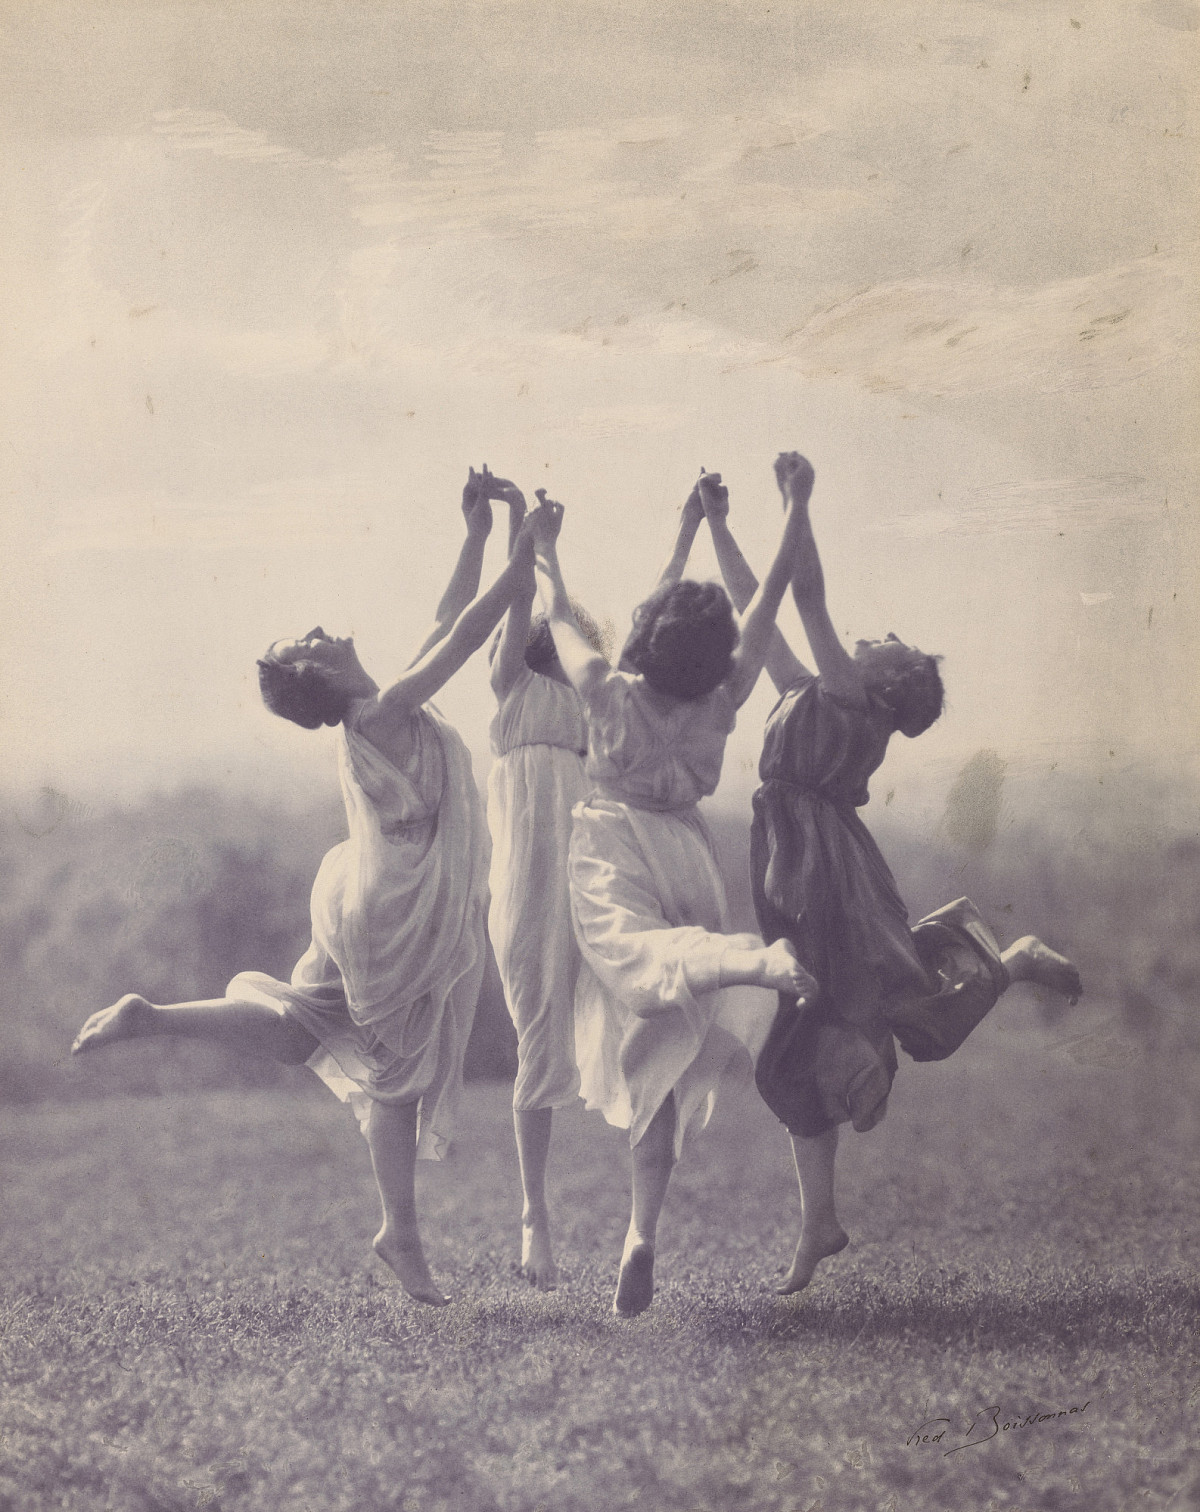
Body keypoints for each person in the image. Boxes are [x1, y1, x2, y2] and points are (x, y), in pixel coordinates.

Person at [73, 469, 550, 1308]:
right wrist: (528, 545)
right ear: (323, 677)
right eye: (310, 641)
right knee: (394, 1081)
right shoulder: (382, 713)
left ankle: (153, 1016)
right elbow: (467, 633)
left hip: (371, 897)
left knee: (302, 1029)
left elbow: (449, 619)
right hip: (395, 914)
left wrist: (479, 533)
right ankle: (399, 1236)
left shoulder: (381, 707)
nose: (324, 631)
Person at [699, 454, 1083, 1295]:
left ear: (887, 682)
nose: (875, 633)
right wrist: (722, 525)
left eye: (888, 643)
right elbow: (758, 602)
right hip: (803, 869)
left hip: (824, 877)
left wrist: (798, 500)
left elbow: (807, 597)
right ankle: (819, 1223)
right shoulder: (820, 693)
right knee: (812, 1038)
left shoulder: (848, 700)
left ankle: (1011, 961)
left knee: (853, 1013)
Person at [526, 468, 817, 1318]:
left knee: (634, 959)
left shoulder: (605, 691)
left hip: (615, 845)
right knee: (659, 1046)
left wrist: (544, 548)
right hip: (687, 854)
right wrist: (782, 510)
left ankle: (751, 961)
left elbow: (560, 614)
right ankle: (639, 1233)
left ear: (645, 642)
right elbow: (765, 600)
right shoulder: (723, 696)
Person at [485, 481, 608, 1290]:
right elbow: (521, 602)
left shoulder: (591, 707)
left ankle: (642, 1214)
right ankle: (534, 1213)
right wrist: (521, 535)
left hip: (590, 872)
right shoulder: (514, 689)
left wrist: (549, 546)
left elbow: (562, 612)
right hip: (527, 884)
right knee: (537, 1036)